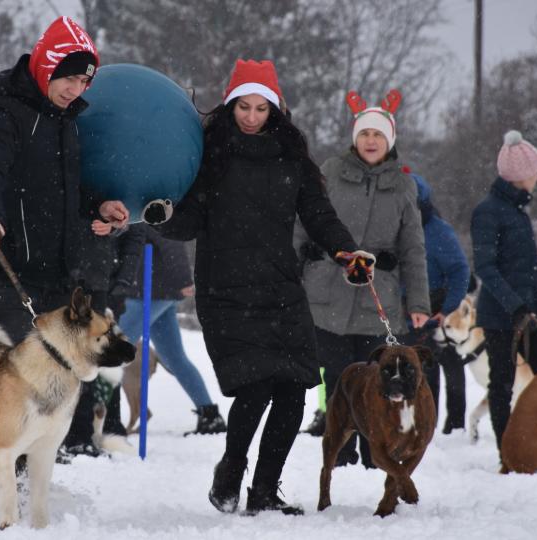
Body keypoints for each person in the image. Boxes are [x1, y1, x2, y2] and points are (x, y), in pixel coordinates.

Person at [149, 59, 371, 515]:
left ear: (275, 109)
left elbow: (319, 215)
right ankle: (232, 466)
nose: (251, 117)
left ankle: (265, 490)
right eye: (243, 107)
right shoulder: (210, 153)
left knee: (294, 389)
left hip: (280, 286)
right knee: (255, 385)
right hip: (226, 291)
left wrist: (347, 251)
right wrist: (164, 215)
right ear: (230, 106)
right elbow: (189, 220)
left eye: (260, 108)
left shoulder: (291, 156)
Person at [0, 16, 129, 455]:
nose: (75, 90)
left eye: (83, 82)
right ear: (47, 66)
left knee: (53, 387)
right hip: (7, 265)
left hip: (55, 272)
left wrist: (99, 205)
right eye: (69, 78)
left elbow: (66, 189)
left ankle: (24, 483)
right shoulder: (4, 110)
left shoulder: (65, 120)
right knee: (14, 388)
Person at [297, 91, 430, 470]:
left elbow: (413, 249)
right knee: (338, 379)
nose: (371, 141)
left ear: (389, 141)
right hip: (328, 295)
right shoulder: (329, 174)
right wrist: (298, 265)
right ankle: (339, 452)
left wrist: (418, 303)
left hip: (378, 299)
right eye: (365, 133)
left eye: (378, 135)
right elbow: (303, 224)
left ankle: (378, 454)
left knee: (380, 379)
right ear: (355, 137)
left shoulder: (404, 186)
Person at [471, 130, 537, 460]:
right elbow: (486, 267)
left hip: (532, 312)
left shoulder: (517, 212)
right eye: (535, 171)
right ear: (522, 176)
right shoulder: (488, 211)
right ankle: (507, 450)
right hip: (501, 315)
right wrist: (515, 305)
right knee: (502, 384)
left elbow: (527, 264)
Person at [112, 223, 226, 435]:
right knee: (174, 357)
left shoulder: (148, 204)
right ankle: (209, 415)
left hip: (148, 291)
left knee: (113, 353)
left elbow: (171, 241)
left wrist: (183, 279)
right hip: (155, 290)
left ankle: (99, 421)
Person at [407, 173, 470, 434]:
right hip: (406, 308)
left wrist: (448, 309)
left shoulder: (437, 231)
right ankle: (424, 424)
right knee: (420, 370)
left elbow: (459, 270)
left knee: (449, 368)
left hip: (438, 308)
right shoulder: (392, 227)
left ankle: (454, 426)